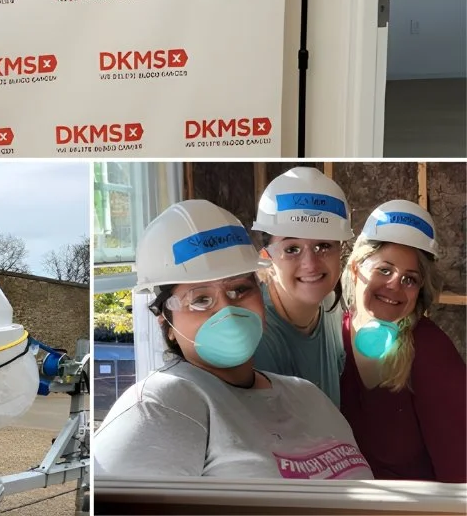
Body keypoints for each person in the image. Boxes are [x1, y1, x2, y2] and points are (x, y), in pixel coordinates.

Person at [93, 199, 373, 480]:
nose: (227, 310)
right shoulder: (160, 406)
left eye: (240, 290)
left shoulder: (306, 395)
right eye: (201, 300)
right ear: (166, 322)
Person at [339, 200, 467, 482]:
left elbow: (461, 473)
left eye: (410, 279)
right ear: (356, 269)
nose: (394, 286)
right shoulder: (329, 336)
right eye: (384, 270)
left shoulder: (429, 350)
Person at [251, 167, 353, 407]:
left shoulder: (330, 305)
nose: (311, 264)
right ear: (267, 256)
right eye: (292, 249)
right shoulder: (258, 338)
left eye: (324, 245)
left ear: (340, 251)